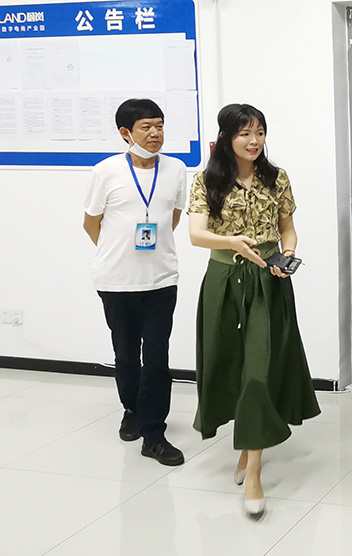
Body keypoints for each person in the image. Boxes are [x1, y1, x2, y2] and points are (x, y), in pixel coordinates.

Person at [188, 104, 321, 515]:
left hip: (267, 281)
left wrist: (288, 253)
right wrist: (232, 242)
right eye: (245, 133)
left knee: (258, 372)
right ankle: (248, 446)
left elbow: (287, 229)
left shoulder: (276, 178)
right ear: (227, 137)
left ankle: (255, 472)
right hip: (224, 281)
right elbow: (196, 234)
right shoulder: (206, 180)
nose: (254, 140)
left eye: (260, 132)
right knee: (229, 366)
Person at [83, 98, 186, 467]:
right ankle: (132, 410)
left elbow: (173, 217)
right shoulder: (106, 172)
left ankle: (154, 435)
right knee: (126, 355)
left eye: (159, 125)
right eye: (146, 127)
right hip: (116, 281)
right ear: (126, 132)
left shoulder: (176, 169)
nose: (155, 133)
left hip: (161, 279)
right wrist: (120, 253)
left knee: (156, 358)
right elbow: (91, 223)